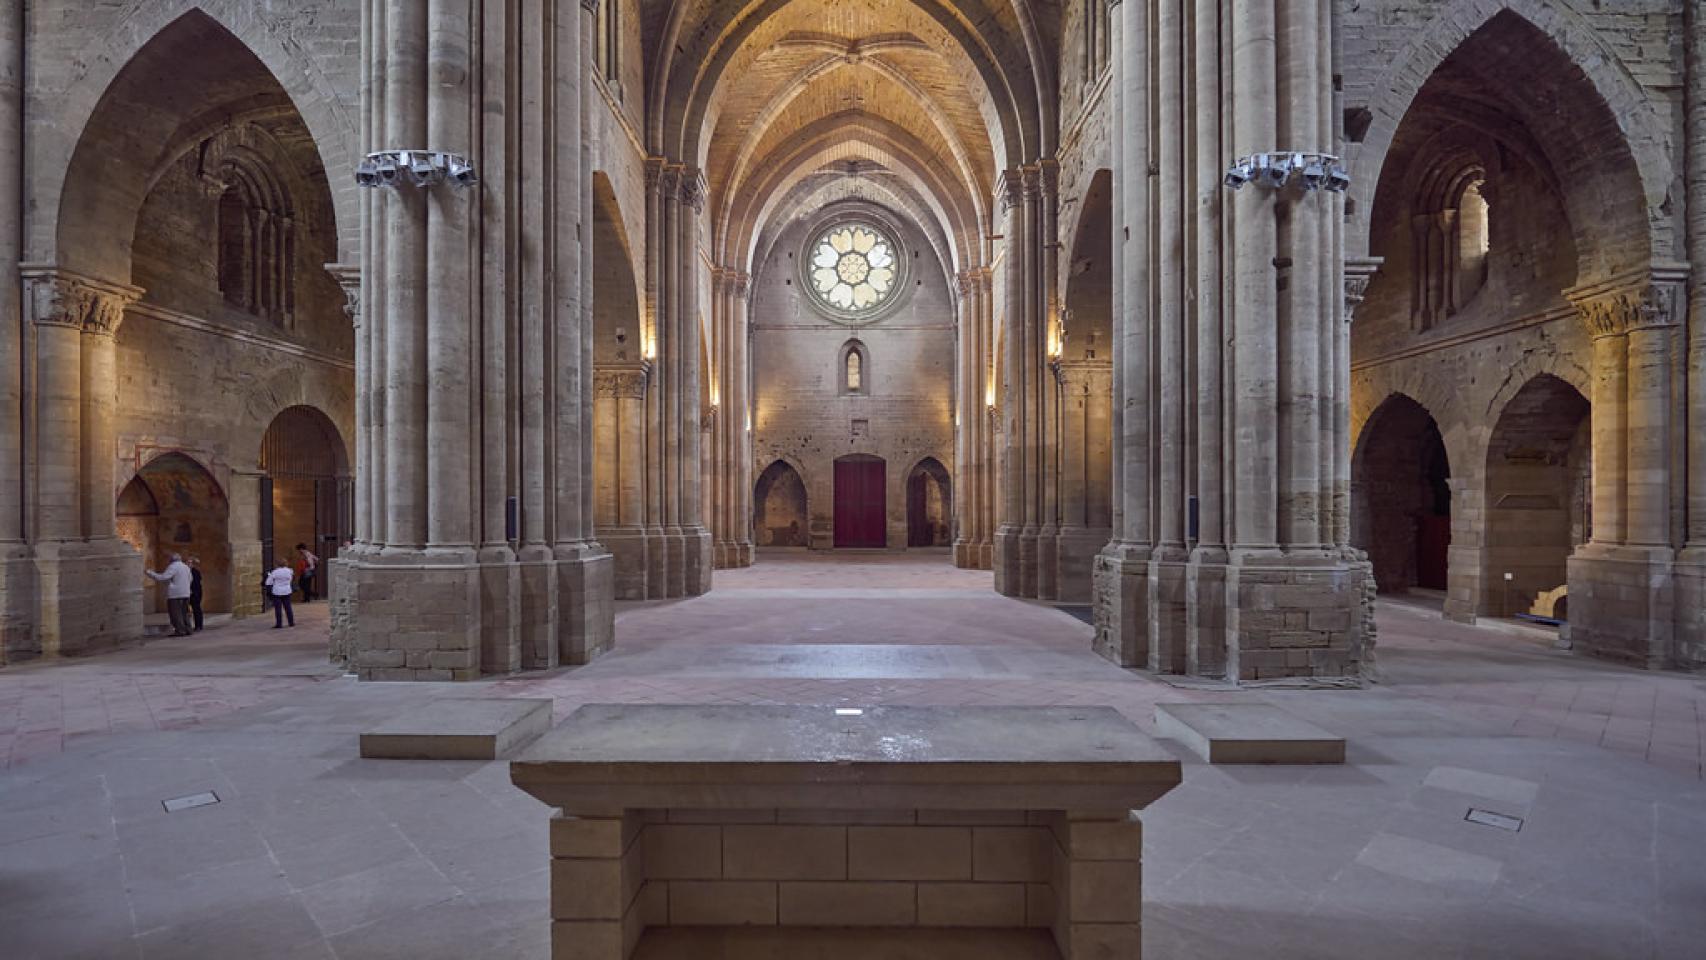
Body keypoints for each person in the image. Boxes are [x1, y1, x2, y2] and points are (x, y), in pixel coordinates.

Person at [145, 553, 193, 637]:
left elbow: (163, 577)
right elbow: (191, 579)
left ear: (171, 559)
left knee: (176, 613)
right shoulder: (185, 567)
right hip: (186, 593)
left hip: (175, 594)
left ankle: (180, 630)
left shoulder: (173, 566)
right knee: (184, 612)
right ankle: (188, 629)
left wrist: (149, 573)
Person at [265, 559, 296, 628]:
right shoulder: (290, 571)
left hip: (277, 591)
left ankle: (279, 624)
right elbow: (291, 579)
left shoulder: (275, 572)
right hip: (287, 590)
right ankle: (291, 622)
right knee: (288, 607)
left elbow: (268, 582)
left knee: (278, 608)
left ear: (277, 564)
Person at [187, 557, 205, 632]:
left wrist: (193, 591)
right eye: (188, 563)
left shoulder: (195, 572)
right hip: (191, 593)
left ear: (193, 564)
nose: (188, 564)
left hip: (195, 593)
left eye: (190, 563)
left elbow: (196, 584)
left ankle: (198, 625)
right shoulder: (188, 571)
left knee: (196, 609)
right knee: (192, 610)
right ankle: (194, 626)